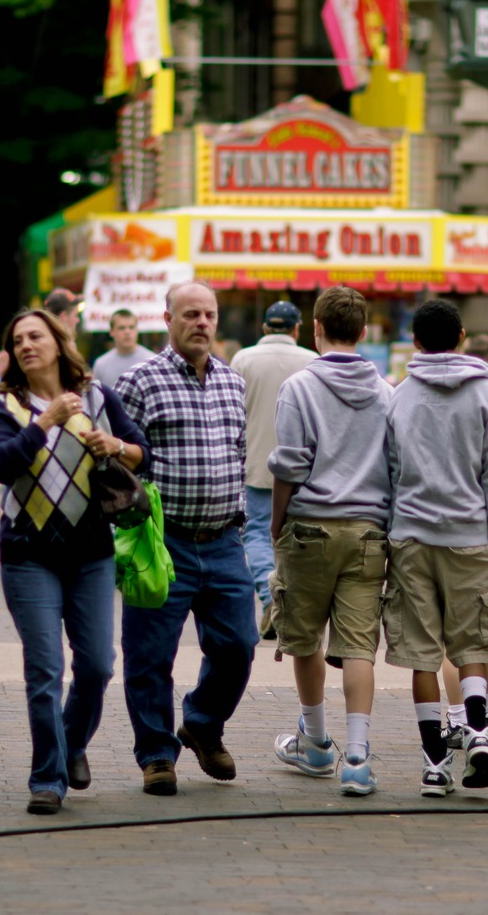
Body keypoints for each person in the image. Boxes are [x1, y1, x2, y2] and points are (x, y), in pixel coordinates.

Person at [0, 309, 148, 813]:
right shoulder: (6, 406)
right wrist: (44, 422)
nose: (28, 345)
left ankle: (73, 742)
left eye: (37, 335)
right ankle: (48, 777)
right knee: (45, 670)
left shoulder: (97, 397)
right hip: (27, 556)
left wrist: (114, 444)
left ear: (58, 342)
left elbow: (143, 452)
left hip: (90, 555)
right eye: (18, 340)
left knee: (97, 665)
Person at [114, 281, 256, 797]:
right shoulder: (139, 382)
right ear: (168, 318)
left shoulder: (232, 382)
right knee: (150, 655)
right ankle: (156, 753)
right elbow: (117, 462)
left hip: (222, 540)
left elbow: (239, 452)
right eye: (191, 313)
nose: (201, 322)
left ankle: (201, 722)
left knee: (239, 645)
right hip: (162, 541)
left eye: (209, 314)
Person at [385, 299, 488, 796]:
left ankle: (434, 763)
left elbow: (391, 471)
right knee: (474, 643)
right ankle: (478, 729)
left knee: (423, 652)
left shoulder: (399, 396)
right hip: (470, 534)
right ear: (461, 335)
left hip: (413, 535)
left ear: (415, 340)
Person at [267, 287, 392, 796]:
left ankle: (316, 742)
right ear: (364, 332)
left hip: (310, 527)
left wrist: (277, 524)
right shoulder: (387, 391)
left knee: (303, 636)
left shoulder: (298, 387)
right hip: (368, 532)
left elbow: (288, 464)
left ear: (314, 328)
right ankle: (358, 758)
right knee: (359, 645)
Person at [229, 301, 318, 620]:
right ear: (296, 329)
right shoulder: (312, 361)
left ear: (266, 327)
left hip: (254, 462)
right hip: (302, 467)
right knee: (297, 536)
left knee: (256, 535)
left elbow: (232, 412)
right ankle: (290, 600)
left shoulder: (242, 359)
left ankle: (269, 597)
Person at [91, 308, 157, 388]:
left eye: (131, 327)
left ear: (137, 330)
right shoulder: (101, 364)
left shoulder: (152, 361)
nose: (127, 332)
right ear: (111, 332)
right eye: (122, 328)